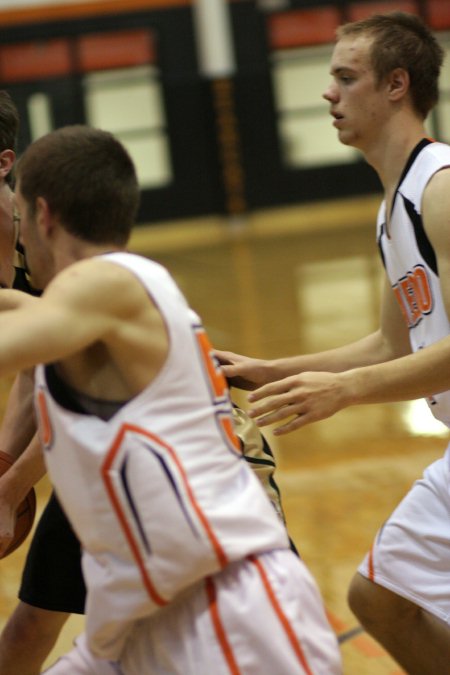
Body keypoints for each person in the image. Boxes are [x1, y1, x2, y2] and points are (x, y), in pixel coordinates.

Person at [0, 124, 341, 674]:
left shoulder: (107, 284)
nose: (16, 240)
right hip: (140, 622)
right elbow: (18, 312)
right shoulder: (104, 294)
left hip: (226, 614)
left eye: (17, 219)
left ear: (43, 215)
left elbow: (16, 338)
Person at [217, 11, 450, 674]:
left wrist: (344, 392)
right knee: (378, 598)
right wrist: (269, 370)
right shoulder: (392, 208)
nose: (329, 94)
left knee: (379, 594)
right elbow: (389, 344)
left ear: (397, 85)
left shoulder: (440, 188)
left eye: (347, 78)